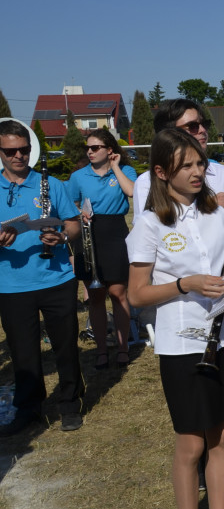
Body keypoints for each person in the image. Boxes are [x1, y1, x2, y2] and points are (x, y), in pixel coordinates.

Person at [126, 128, 224, 509]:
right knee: (190, 443)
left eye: (201, 164)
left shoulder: (215, 215)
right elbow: (137, 295)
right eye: (187, 166)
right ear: (162, 172)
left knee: (222, 437)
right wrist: (185, 284)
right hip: (181, 342)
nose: (198, 172)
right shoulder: (150, 224)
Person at [0, 118, 85, 435]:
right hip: (11, 284)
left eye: (23, 149)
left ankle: (70, 404)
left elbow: (74, 224)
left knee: (65, 346)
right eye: (10, 151)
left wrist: (62, 237)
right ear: (1, 153)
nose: (18, 156)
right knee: (23, 351)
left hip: (56, 278)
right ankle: (28, 409)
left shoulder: (51, 184)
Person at [66, 128, 136, 370]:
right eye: (88, 147)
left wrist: (116, 167)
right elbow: (69, 204)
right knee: (95, 296)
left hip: (115, 231)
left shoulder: (126, 170)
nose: (90, 151)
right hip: (87, 233)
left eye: (95, 147)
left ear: (109, 150)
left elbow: (131, 192)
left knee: (118, 292)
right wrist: (78, 213)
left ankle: (123, 347)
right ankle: (101, 350)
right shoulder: (78, 176)